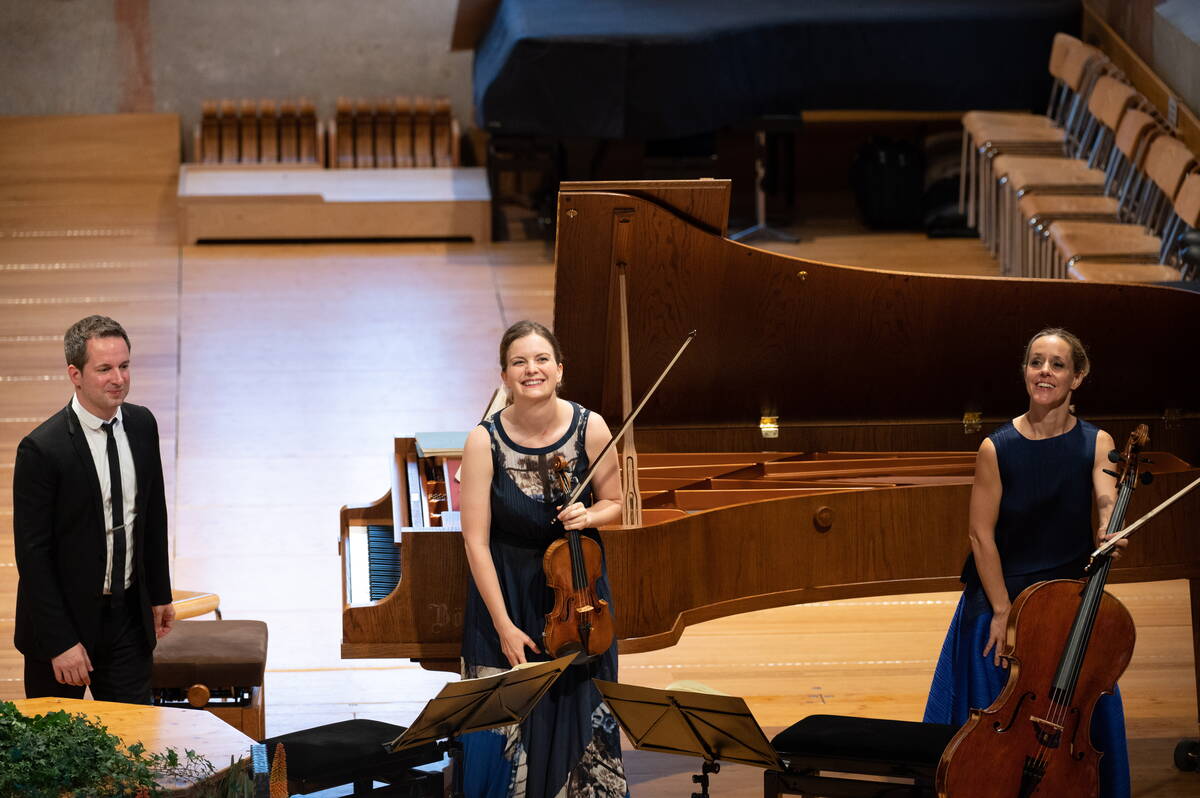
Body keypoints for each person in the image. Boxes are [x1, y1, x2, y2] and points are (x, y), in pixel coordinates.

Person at [924, 327, 1130, 796]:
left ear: (1078, 377)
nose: (1045, 372)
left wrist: (1107, 525)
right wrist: (1001, 610)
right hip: (1005, 592)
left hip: (1065, 598)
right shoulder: (997, 448)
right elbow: (981, 535)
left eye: (1057, 365)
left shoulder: (1097, 443)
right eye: (1036, 362)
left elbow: (1105, 496)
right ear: (1025, 372)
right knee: (990, 680)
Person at [459, 320, 628, 797]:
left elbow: (616, 503)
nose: (531, 370)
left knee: (581, 728)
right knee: (508, 734)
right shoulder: (483, 441)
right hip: (505, 597)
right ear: (505, 376)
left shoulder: (590, 427)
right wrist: (504, 626)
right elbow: (475, 542)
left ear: (559, 370)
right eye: (519, 362)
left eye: (540, 360)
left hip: (579, 599)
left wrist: (589, 514)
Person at [13, 315, 175, 703]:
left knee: (134, 748)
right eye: (104, 369)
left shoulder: (142, 424)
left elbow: (152, 514)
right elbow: (33, 556)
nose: (118, 378)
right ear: (76, 374)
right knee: (55, 755)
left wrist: (159, 593)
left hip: (127, 620)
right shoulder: (41, 449)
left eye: (124, 365)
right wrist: (61, 642)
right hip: (63, 624)